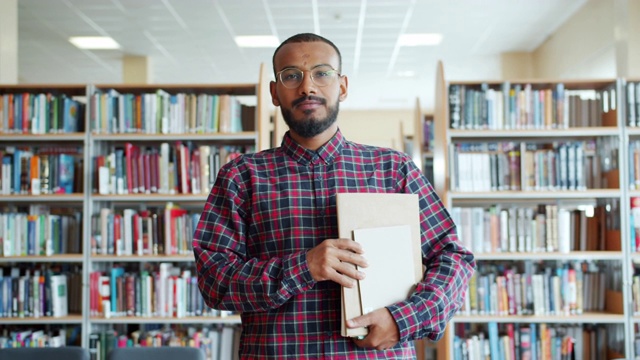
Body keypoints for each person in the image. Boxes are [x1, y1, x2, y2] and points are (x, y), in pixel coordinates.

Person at [193, 32, 475, 359]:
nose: (307, 87)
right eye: (291, 76)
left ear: (342, 86)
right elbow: (215, 282)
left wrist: (403, 320)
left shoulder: (392, 169)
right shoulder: (242, 176)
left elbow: (453, 257)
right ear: (274, 92)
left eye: (321, 74)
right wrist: (304, 266)